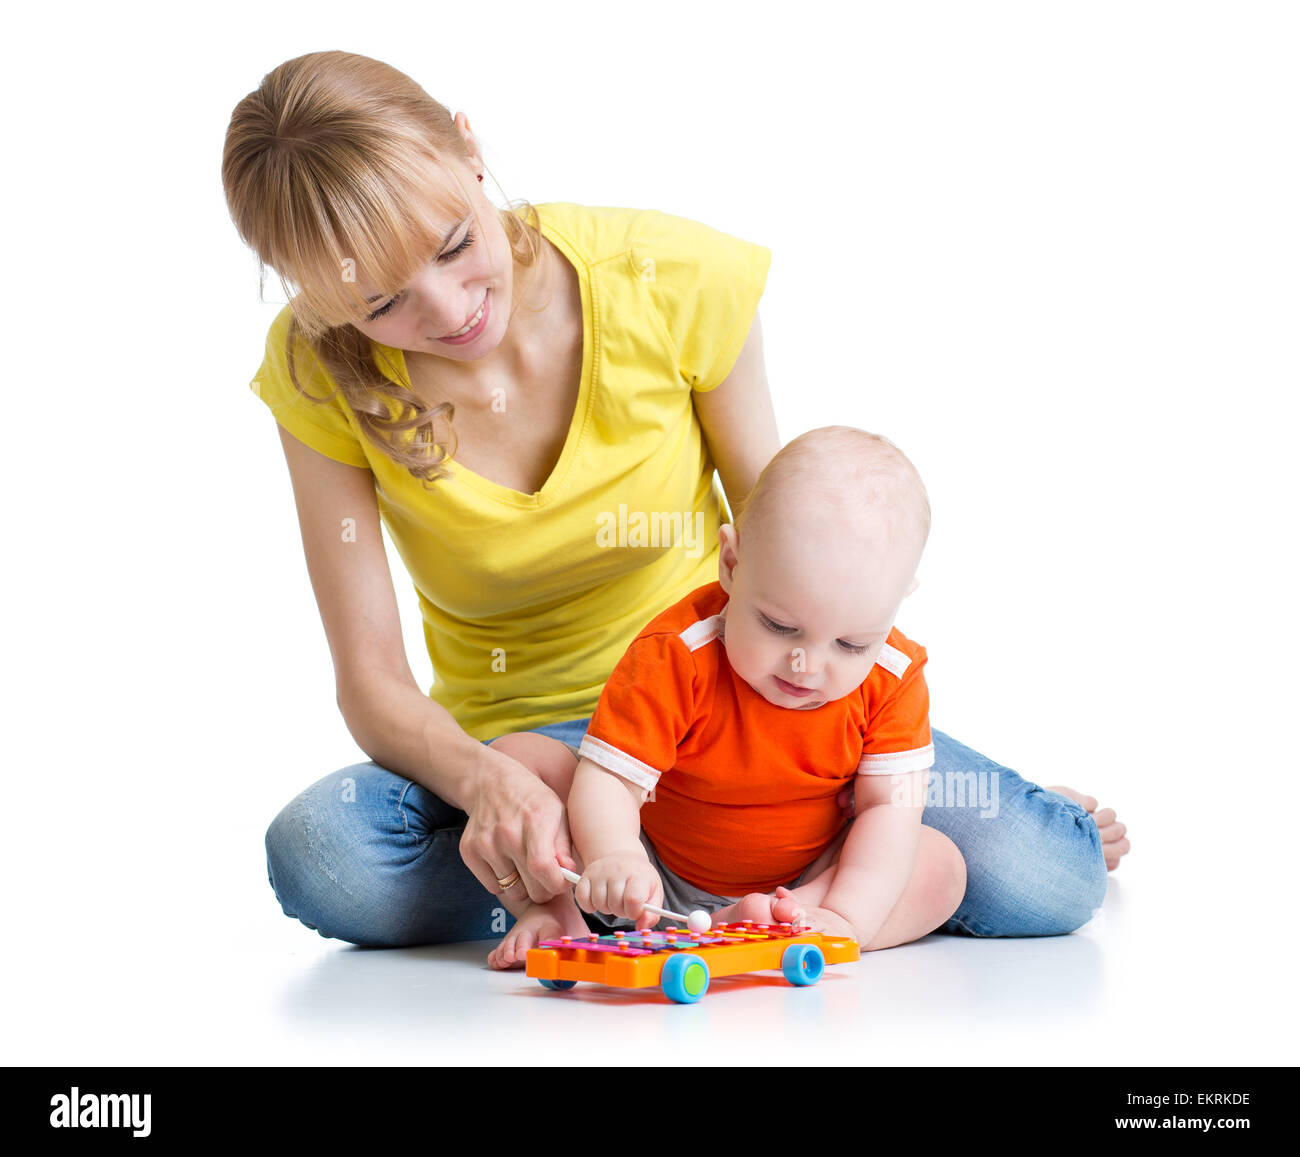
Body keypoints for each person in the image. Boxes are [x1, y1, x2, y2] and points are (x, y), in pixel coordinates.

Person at [223, 50, 1129, 953]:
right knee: (325, 852)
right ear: (316, 294)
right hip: (535, 743)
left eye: (456, 244)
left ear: (469, 148)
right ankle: (614, 878)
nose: (451, 309)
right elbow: (372, 679)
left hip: (734, 711)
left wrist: (886, 760)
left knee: (1049, 873)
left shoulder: (669, 277)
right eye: (381, 302)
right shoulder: (315, 370)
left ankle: (767, 891)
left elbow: (789, 547)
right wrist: (492, 787)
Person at [490, 427, 965, 969]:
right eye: (779, 626)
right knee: (519, 761)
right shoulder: (678, 653)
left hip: (805, 881)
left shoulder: (895, 676)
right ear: (732, 565)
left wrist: (849, 912)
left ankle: (800, 926)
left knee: (939, 865)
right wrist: (615, 856)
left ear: (897, 604)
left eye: (851, 643)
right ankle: (557, 913)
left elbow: (887, 810)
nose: (806, 665)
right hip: (652, 883)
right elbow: (610, 780)